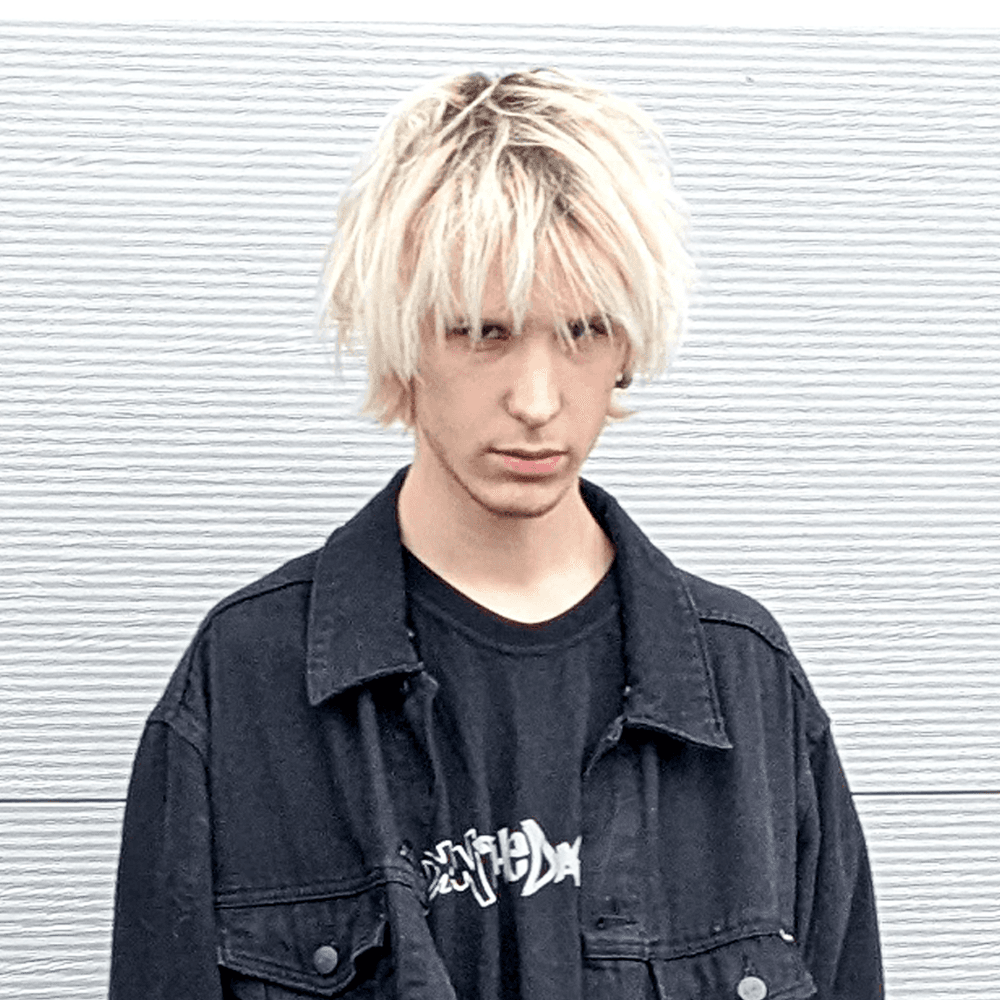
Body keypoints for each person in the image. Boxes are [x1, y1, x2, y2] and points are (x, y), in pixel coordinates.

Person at [110, 70, 883, 1000]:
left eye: (585, 331)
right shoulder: (246, 679)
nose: (538, 399)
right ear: (402, 338)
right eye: (483, 332)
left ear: (628, 345)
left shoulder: (747, 686)